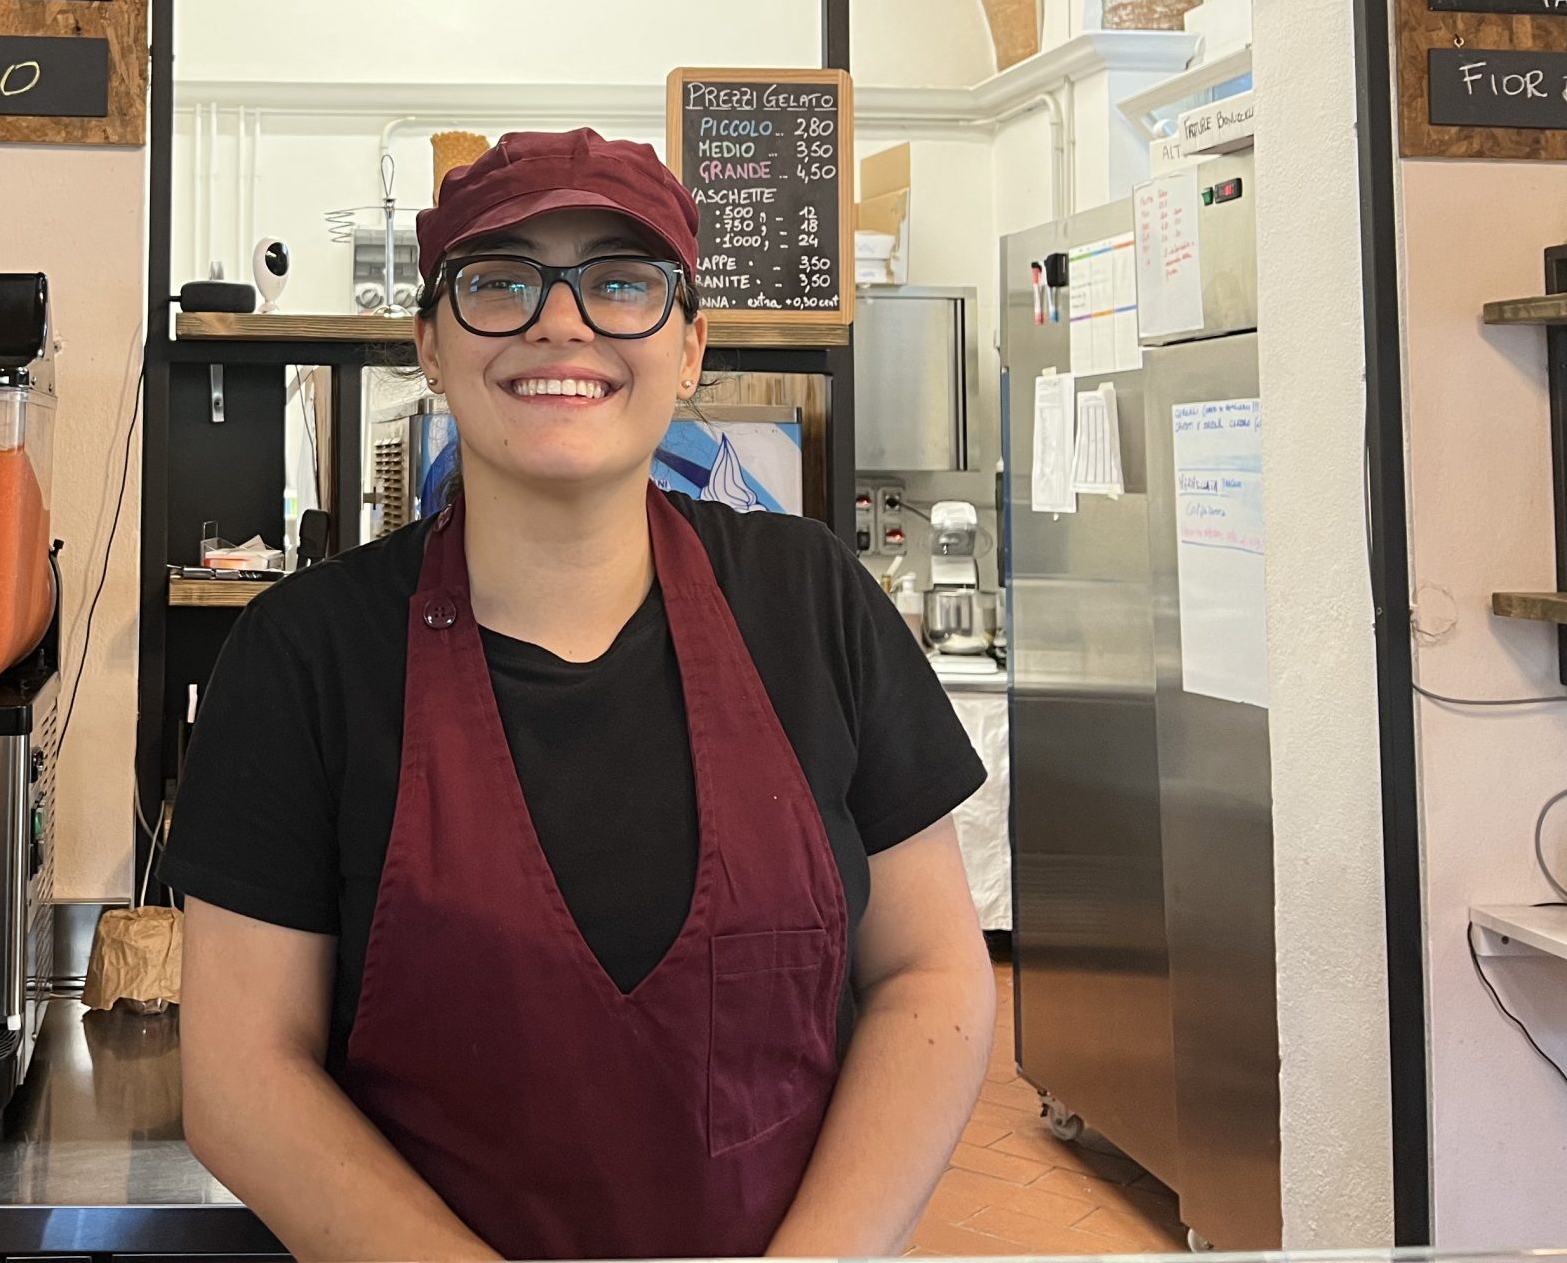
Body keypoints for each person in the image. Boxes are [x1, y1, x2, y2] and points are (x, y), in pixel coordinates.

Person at [165, 128, 995, 1262]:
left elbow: (931, 976)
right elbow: (241, 1075)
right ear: (431, 347)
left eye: (620, 282)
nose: (562, 323)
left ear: (691, 344)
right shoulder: (304, 658)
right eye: (499, 282)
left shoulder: (810, 604)